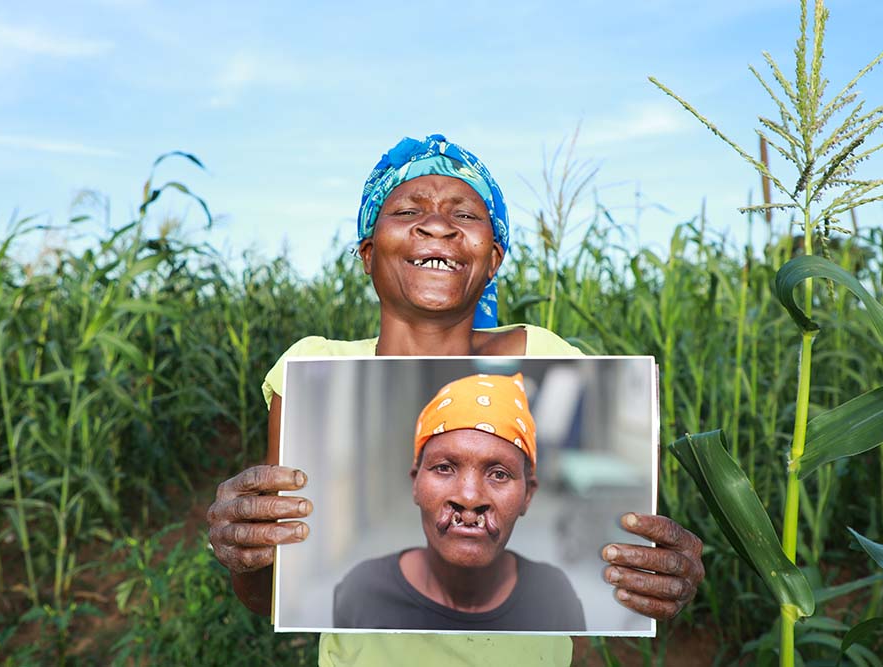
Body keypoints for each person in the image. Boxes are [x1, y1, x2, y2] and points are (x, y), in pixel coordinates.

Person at [207, 134, 705, 666]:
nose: (438, 224)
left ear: (493, 258)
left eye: (464, 214)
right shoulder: (311, 369)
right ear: (368, 253)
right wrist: (245, 551)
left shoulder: (548, 357)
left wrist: (659, 572)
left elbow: (624, 555)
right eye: (407, 209)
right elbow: (269, 595)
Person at [333, 373, 586, 632]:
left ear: (527, 495)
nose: (469, 497)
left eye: (499, 474)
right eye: (444, 468)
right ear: (415, 484)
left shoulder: (554, 602)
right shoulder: (362, 596)